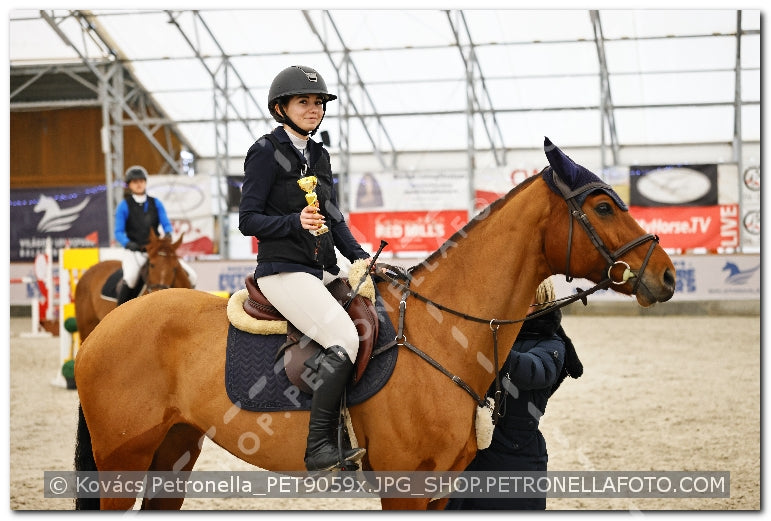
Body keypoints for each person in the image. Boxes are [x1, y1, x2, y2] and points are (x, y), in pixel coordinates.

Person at [239, 65, 372, 471]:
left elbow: (332, 216)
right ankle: (319, 448)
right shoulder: (263, 151)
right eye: (304, 102)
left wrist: (360, 258)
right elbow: (248, 219)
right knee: (345, 339)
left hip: (322, 267)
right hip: (283, 271)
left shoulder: (320, 155)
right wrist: (292, 223)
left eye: (318, 103)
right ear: (281, 107)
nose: (314, 109)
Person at [446, 277, 584, 510]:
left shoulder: (552, 344)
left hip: (516, 458)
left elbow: (533, 372)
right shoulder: (495, 333)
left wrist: (486, 347)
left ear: (541, 301)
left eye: (523, 296)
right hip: (470, 456)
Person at [114, 165, 197, 305]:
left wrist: (169, 232)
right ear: (129, 185)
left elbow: (165, 222)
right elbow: (118, 232)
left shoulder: (155, 202)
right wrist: (128, 243)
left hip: (156, 250)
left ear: (145, 183)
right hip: (136, 251)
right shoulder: (124, 205)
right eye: (135, 182)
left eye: (141, 181)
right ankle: (118, 310)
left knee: (192, 276)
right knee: (131, 278)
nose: (139, 184)